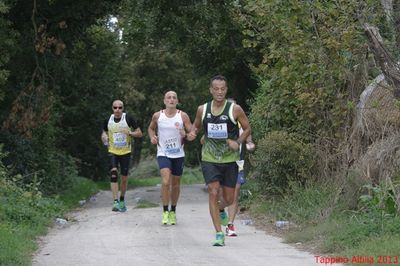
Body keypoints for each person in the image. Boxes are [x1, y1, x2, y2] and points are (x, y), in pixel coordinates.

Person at [187, 75, 251, 246]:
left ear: (226, 89)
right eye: (216, 89)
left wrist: (237, 142)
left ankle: (221, 208)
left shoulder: (234, 109)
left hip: (229, 159)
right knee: (213, 192)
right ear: (211, 90)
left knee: (229, 198)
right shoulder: (203, 109)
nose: (220, 92)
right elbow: (196, 126)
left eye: (223, 89)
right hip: (209, 158)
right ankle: (218, 234)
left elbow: (247, 128)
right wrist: (192, 133)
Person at [148, 91, 192, 225]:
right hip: (163, 153)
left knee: (176, 183)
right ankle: (165, 211)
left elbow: (191, 133)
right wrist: (152, 137)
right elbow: (150, 129)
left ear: (177, 101)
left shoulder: (182, 116)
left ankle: (173, 210)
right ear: (164, 101)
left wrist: (186, 134)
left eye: (174, 98)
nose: (171, 100)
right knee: (166, 181)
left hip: (178, 154)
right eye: (169, 97)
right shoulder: (157, 116)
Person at [101, 100, 143, 212]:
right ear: (112, 108)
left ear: (123, 108)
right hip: (112, 151)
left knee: (124, 178)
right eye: (115, 107)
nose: (117, 110)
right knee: (114, 174)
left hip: (125, 152)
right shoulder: (107, 120)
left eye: (120, 107)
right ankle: (115, 202)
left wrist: (129, 133)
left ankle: (122, 199)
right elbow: (104, 132)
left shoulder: (128, 119)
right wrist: (104, 137)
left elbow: (139, 133)